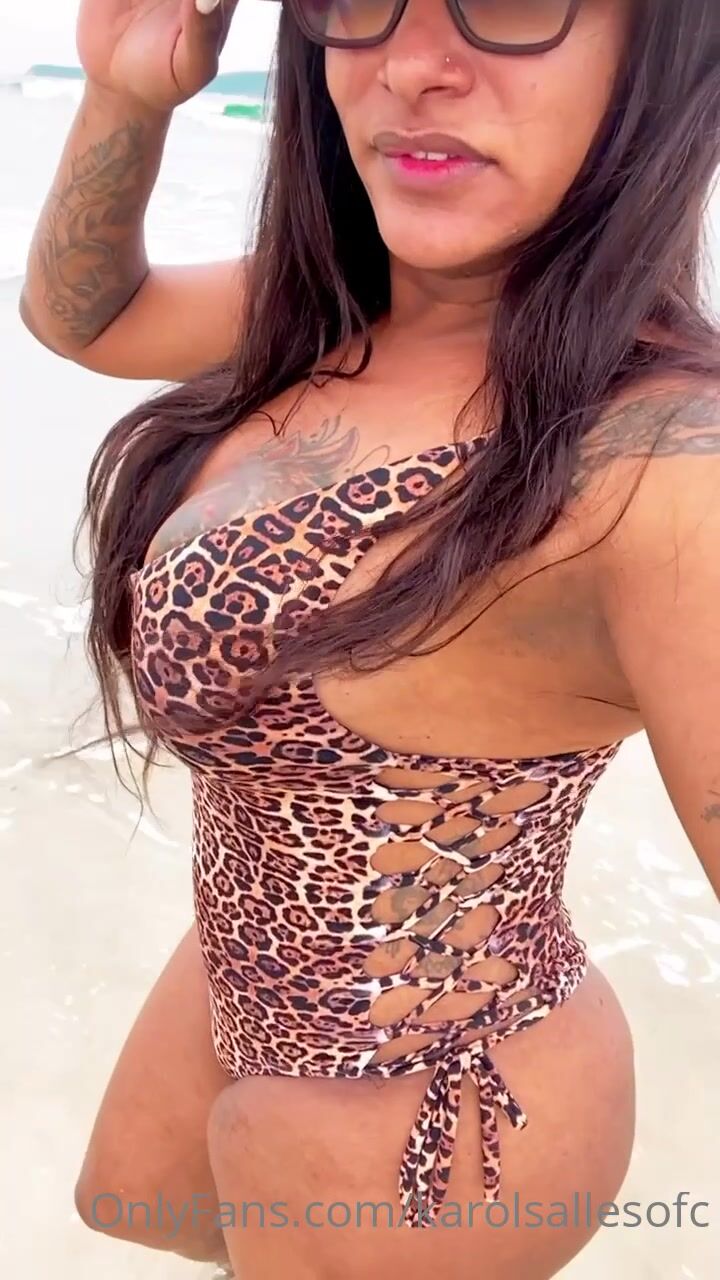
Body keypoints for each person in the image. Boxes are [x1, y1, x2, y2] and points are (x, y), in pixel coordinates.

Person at [20, 1, 720, 1277]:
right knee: (125, 1199)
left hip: (440, 1108)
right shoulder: (340, 315)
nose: (408, 63)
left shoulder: (662, 462)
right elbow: (85, 316)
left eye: (507, 4)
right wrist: (126, 95)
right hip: (242, 970)